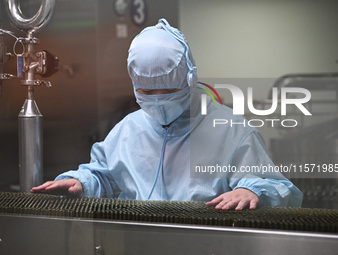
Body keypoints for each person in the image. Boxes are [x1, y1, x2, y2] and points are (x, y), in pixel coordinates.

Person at [32, 19, 303, 210]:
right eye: (146, 92)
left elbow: (277, 188)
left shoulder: (231, 130)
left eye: (167, 91)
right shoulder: (129, 129)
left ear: (190, 79)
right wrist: (82, 183)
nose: (157, 102)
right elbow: (105, 176)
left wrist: (251, 191)